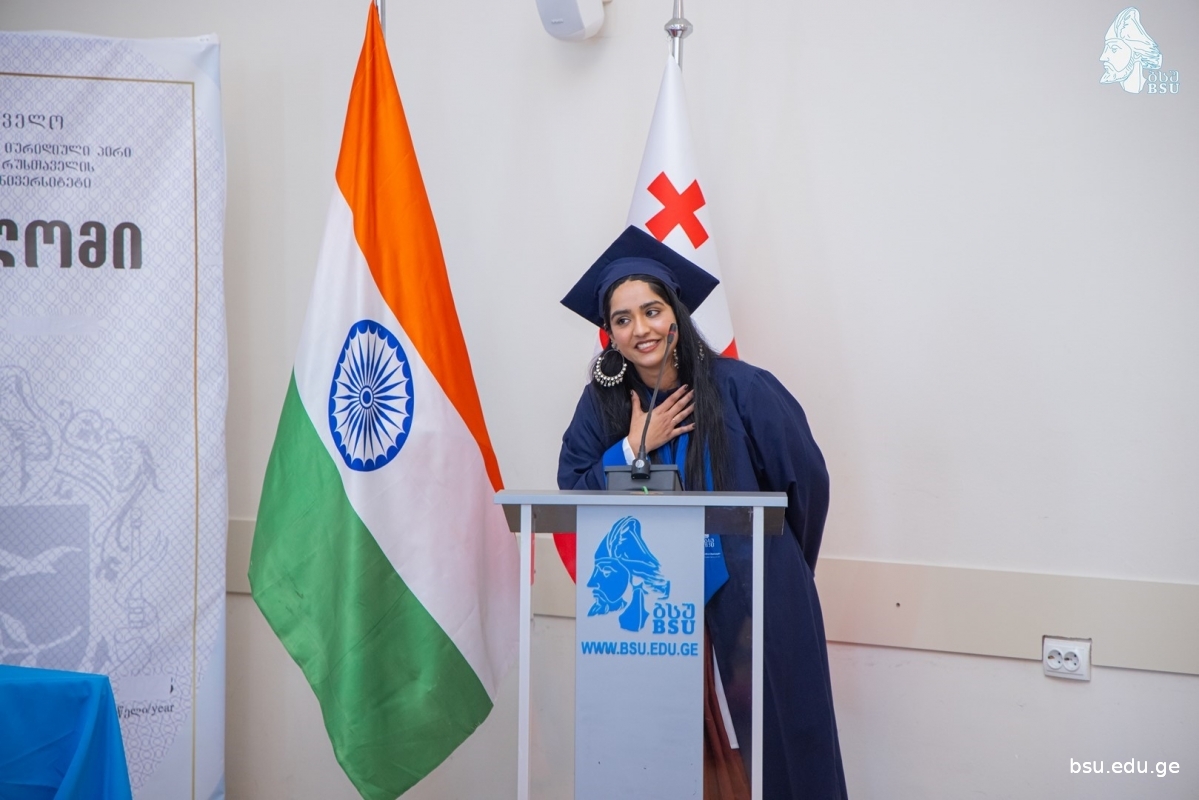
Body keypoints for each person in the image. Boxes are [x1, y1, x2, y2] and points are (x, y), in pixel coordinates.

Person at [558, 226, 847, 799]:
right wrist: (634, 446)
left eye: (652, 311)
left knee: (786, 751)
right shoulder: (602, 406)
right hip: (654, 609)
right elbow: (574, 493)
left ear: (677, 315)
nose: (640, 329)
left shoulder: (744, 389)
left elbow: (807, 485)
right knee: (666, 758)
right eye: (622, 319)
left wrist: (781, 568)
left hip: (757, 595)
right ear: (610, 334)